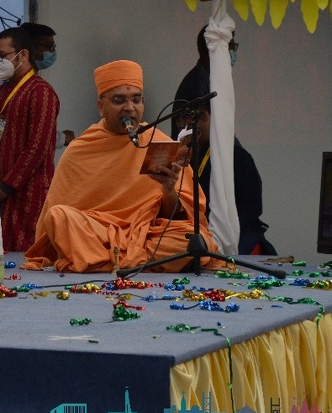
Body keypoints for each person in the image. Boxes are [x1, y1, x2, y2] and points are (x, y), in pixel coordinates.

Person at [23, 59, 223, 273]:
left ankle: (105, 261)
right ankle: (130, 260)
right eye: (119, 100)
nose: (129, 108)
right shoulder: (82, 148)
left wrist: (168, 190)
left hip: (145, 234)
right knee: (58, 217)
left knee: (193, 240)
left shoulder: (158, 141)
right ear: (101, 107)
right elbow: (55, 220)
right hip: (98, 234)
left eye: (136, 100)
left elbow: (179, 218)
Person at [0, 26, 60, 252]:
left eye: (2, 56)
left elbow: (38, 148)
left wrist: (6, 187)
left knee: (26, 258)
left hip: (28, 195)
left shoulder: (41, 92)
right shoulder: (0, 93)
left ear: (23, 55)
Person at [182, 102, 277, 256]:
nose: (192, 123)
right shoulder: (178, 157)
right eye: (187, 117)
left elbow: (252, 208)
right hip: (189, 230)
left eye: (200, 117)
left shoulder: (238, 157)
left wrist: (219, 229)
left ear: (213, 122)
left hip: (235, 232)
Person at [0, 22, 74, 146]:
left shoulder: (38, 90)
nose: (51, 51)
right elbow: (1, 132)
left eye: (2, 55)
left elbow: (37, 138)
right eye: (48, 46)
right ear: (26, 50)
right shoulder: (6, 86)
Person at [171, 24, 238, 139]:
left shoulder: (209, 79)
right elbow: (197, 136)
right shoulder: (196, 85)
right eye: (230, 47)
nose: (232, 53)